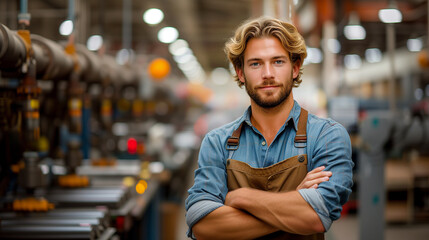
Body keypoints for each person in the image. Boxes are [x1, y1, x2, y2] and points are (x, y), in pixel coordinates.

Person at [185, 16, 354, 240]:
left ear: (295, 68)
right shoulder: (217, 142)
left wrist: (242, 197)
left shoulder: (326, 136)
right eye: (255, 63)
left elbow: (316, 216)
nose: (267, 74)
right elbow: (203, 226)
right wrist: (295, 200)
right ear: (241, 73)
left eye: (278, 62)